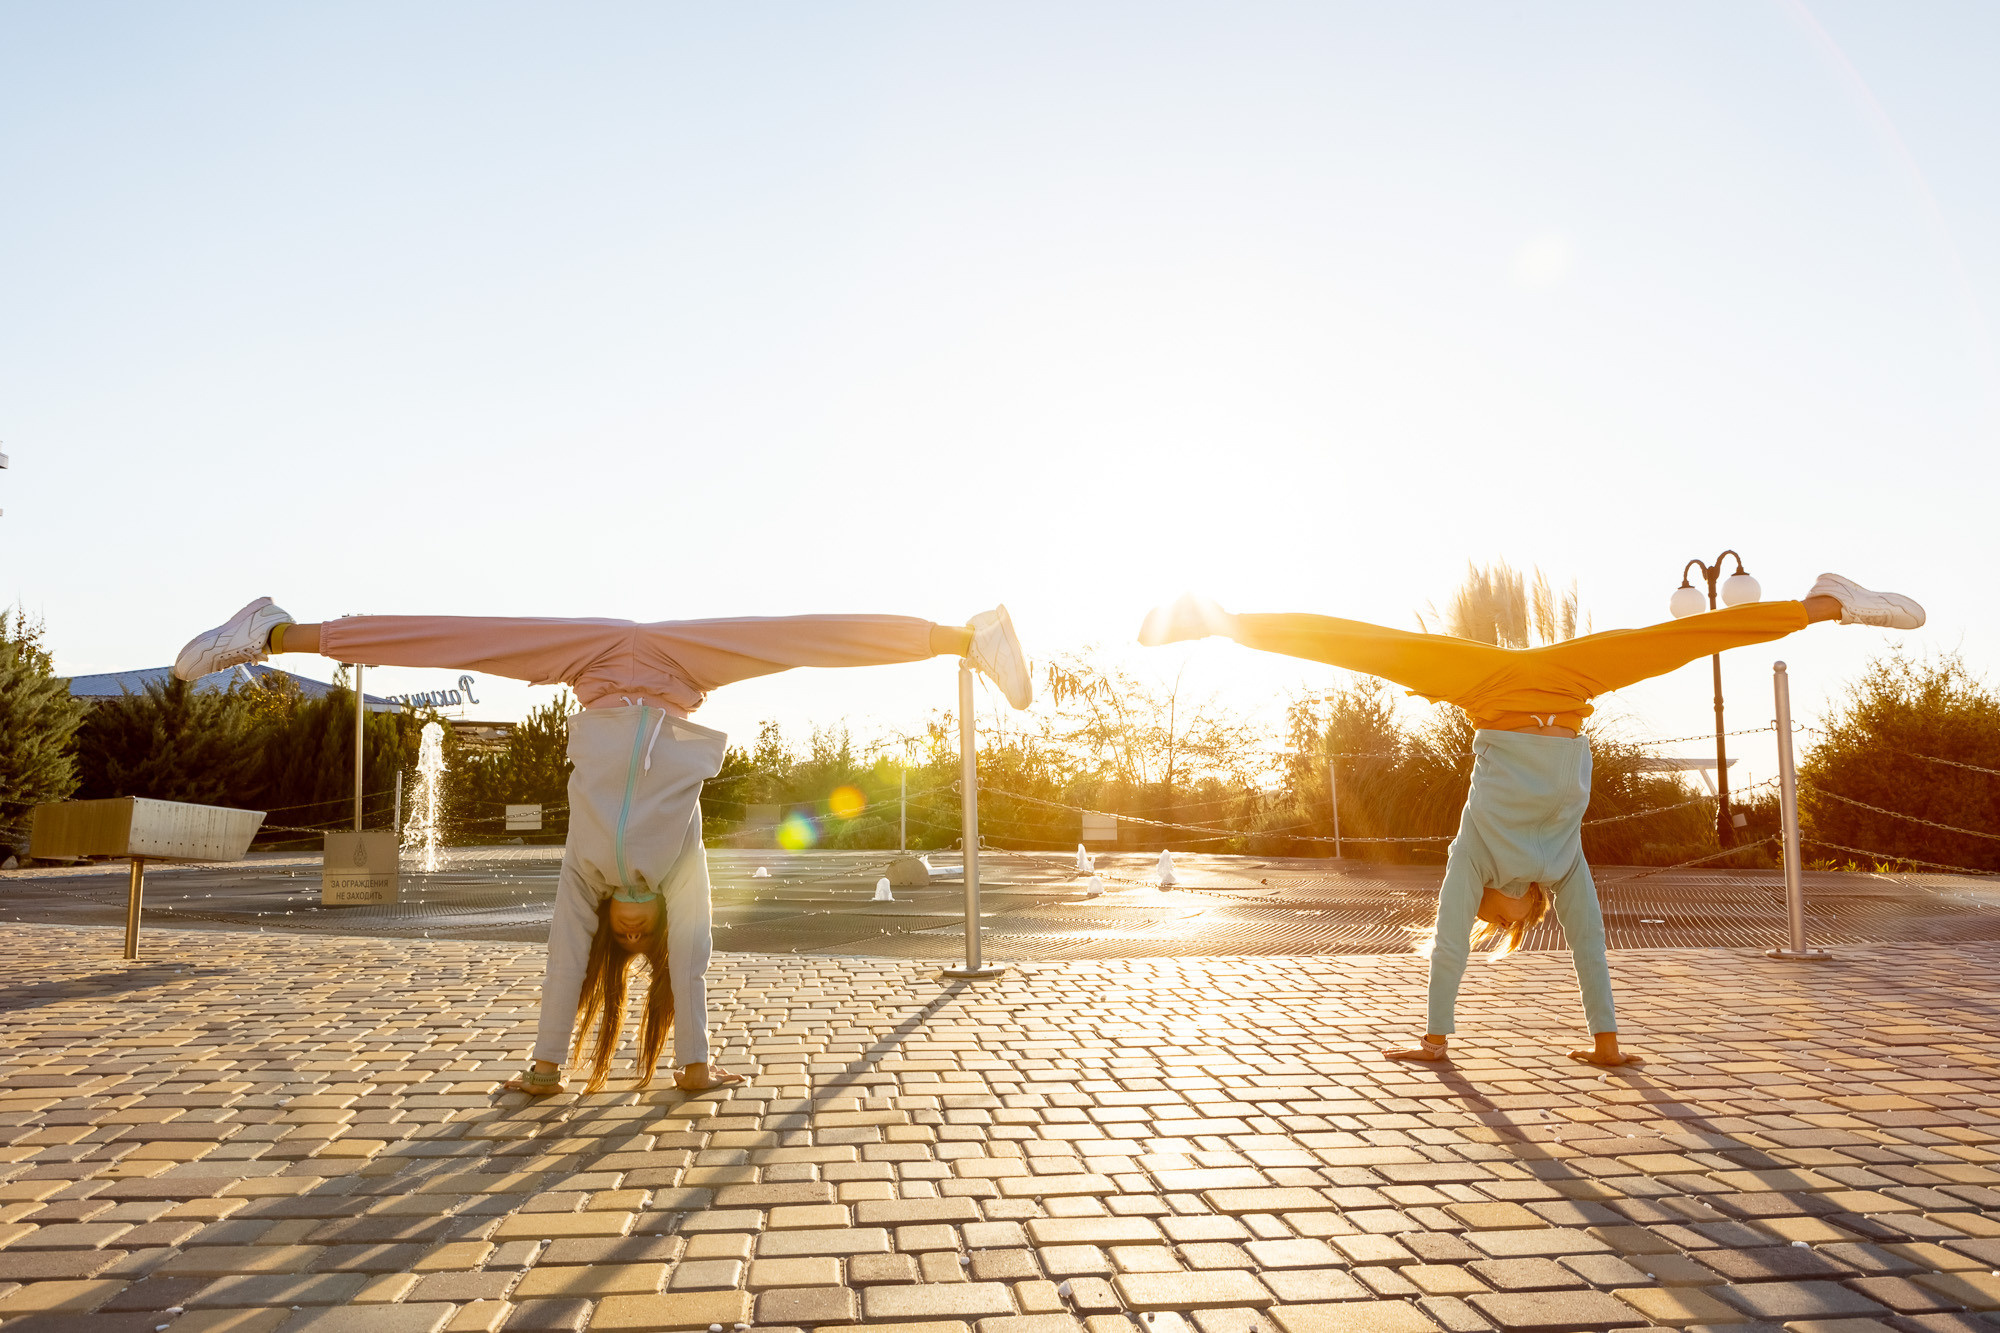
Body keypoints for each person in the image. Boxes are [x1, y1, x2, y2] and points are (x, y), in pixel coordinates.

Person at [175, 600, 1033, 1094]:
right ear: (651, 928)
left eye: (613, 939)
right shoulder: (683, 870)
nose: (624, 930)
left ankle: (273, 632)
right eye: (638, 937)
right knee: (799, 639)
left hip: (592, 665)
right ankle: (272, 630)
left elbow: (560, 955)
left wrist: (544, 1070)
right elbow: (692, 960)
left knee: (462, 637)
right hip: (675, 676)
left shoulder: (585, 874)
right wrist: (693, 1069)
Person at [1137, 573, 1924, 1067]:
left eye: (1500, 917)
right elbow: (1590, 943)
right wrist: (1608, 1045)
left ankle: (1209, 616)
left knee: (1367, 649)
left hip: (1492, 690)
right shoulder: (1562, 866)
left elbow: (1448, 940)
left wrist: (1436, 1040)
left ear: (1493, 907)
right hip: (1569, 690)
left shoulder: (1472, 858)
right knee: (1682, 641)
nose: (1512, 911)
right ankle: (1827, 605)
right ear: (1530, 907)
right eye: (1521, 917)